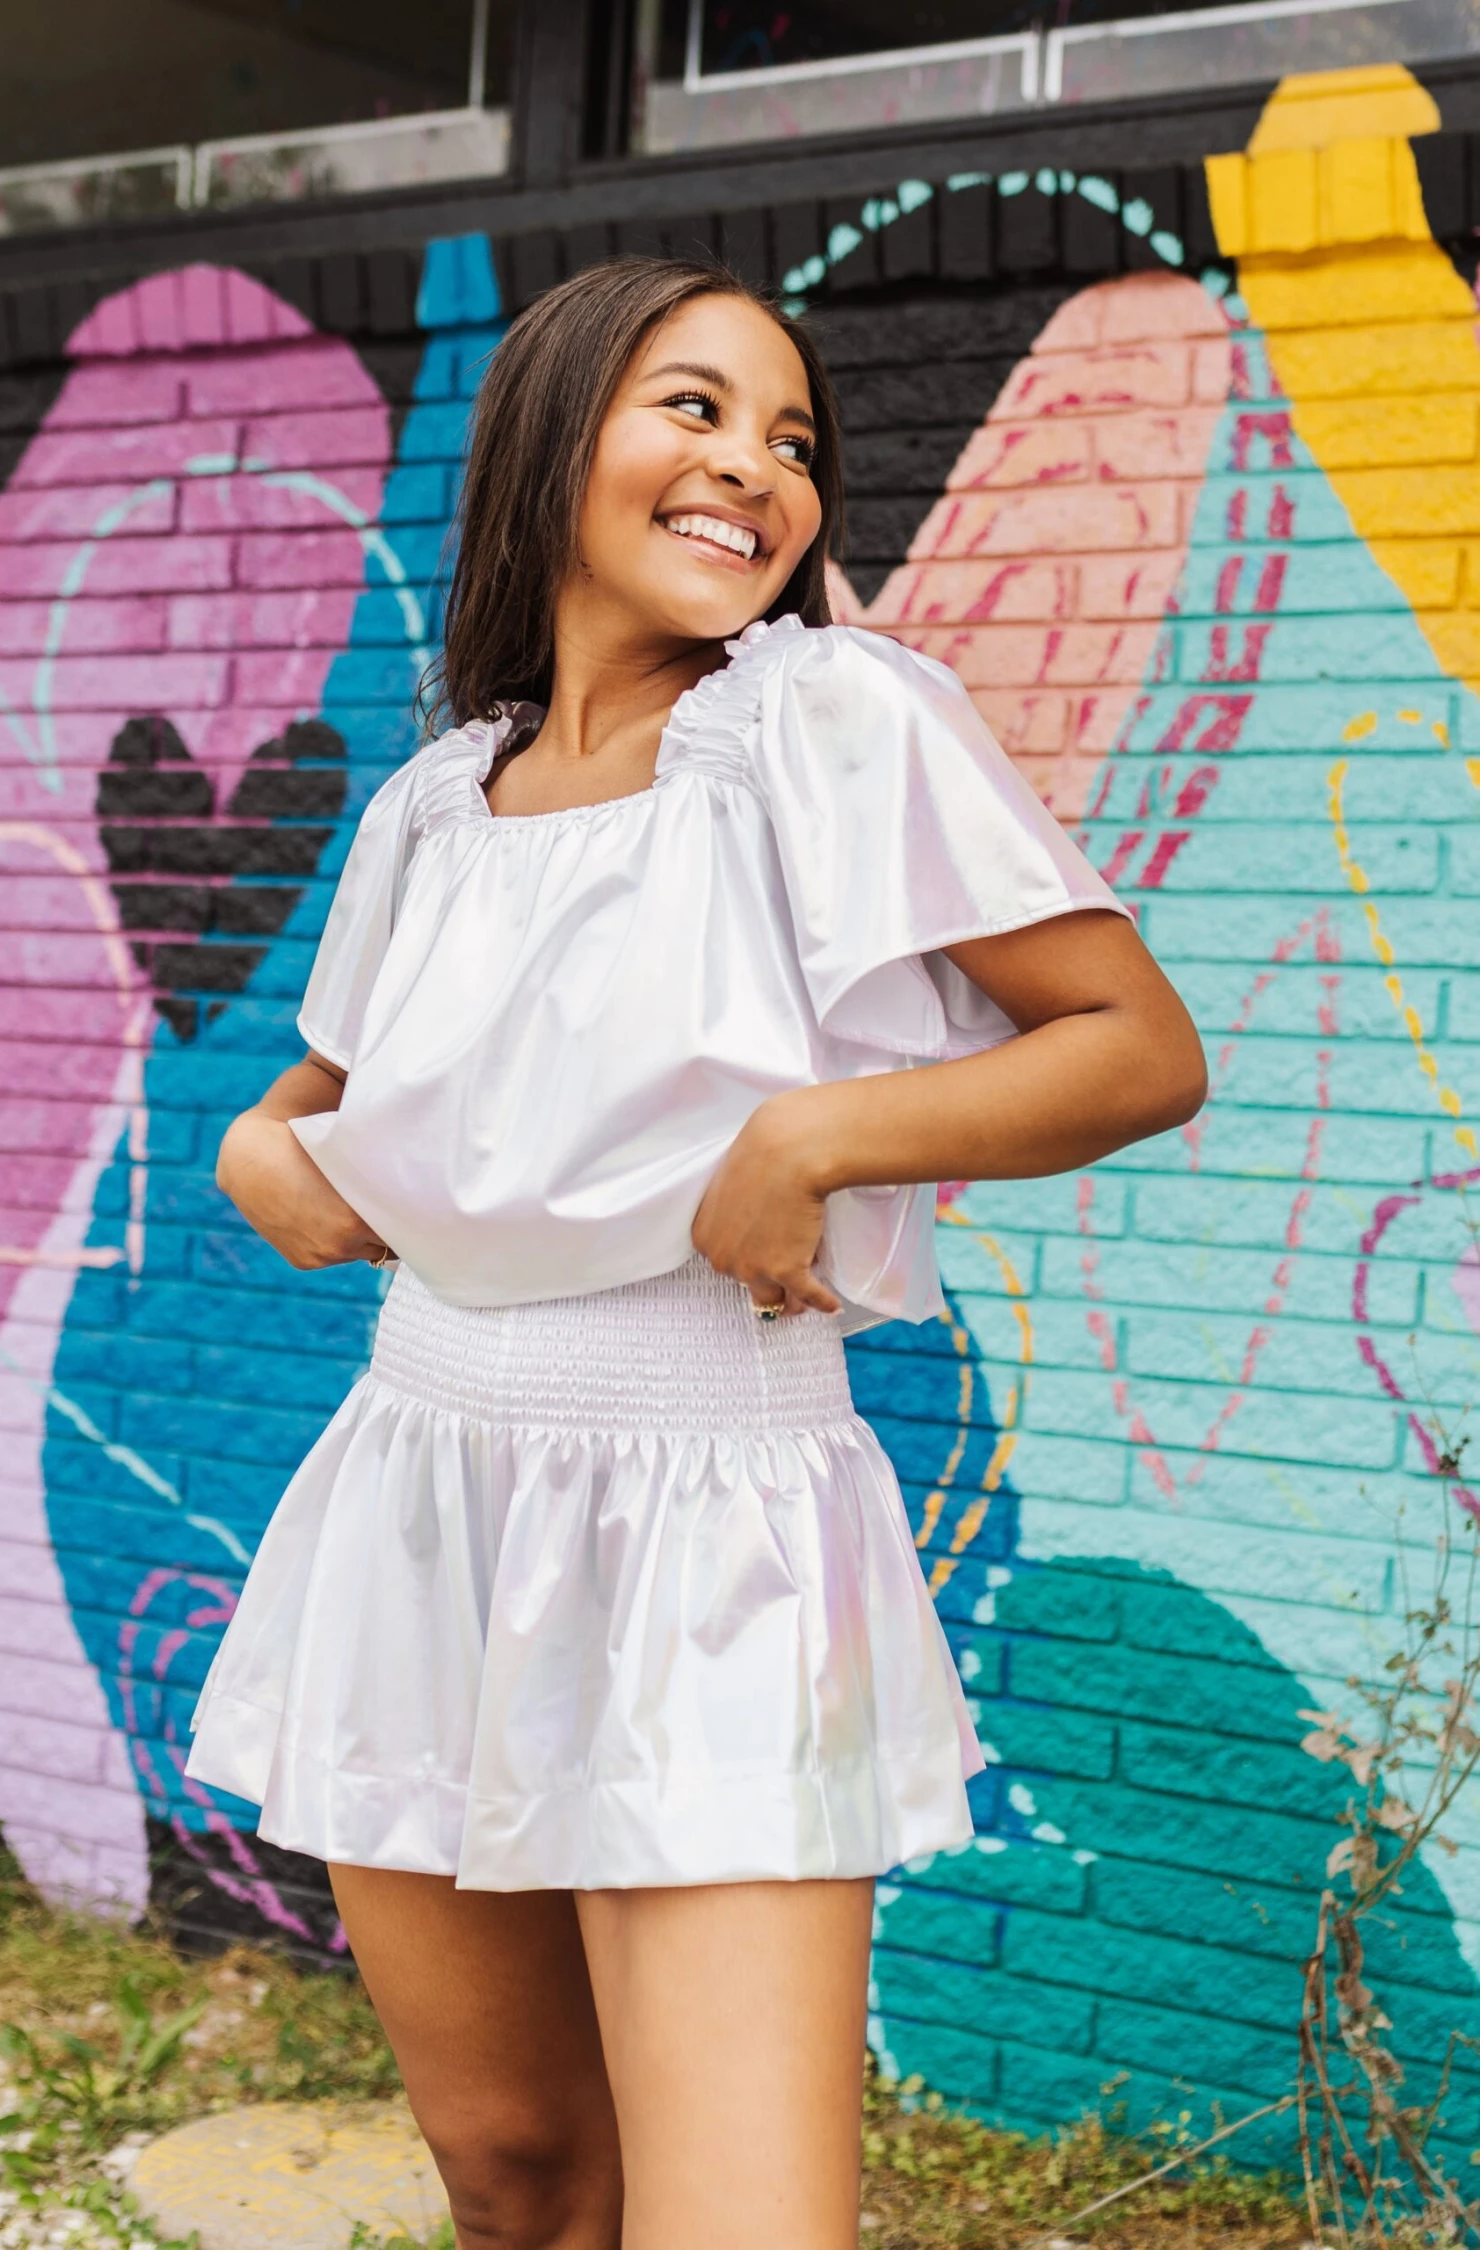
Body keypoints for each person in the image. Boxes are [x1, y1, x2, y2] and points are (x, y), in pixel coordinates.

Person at [189, 257, 1205, 2250]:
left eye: (796, 437)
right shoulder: (429, 805)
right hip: (426, 1497)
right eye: (698, 407)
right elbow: (321, 1094)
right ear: (555, 431)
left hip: (717, 1522)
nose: (759, 466)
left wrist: (823, 1130)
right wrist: (255, 1145)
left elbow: (1137, 1049)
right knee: (519, 2177)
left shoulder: (831, 721)